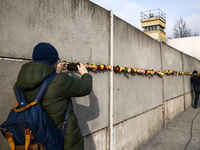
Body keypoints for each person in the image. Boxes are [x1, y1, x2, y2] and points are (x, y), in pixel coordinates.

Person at [13, 42, 92, 150]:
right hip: (64, 142)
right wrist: (85, 74)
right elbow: (86, 87)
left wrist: (55, 73)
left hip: (37, 142)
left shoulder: (18, 85)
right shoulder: (60, 80)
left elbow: (46, 90)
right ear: (53, 61)